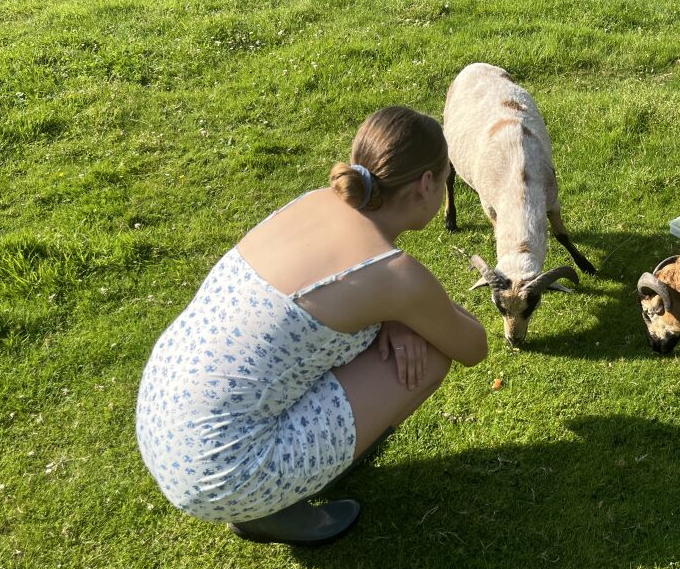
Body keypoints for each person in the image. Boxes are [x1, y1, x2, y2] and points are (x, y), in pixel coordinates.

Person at [136, 107, 488, 544]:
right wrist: (407, 310)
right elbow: (472, 346)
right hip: (227, 472)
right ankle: (270, 506)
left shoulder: (314, 202)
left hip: (162, 424)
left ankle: (286, 483)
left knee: (381, 339)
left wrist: (396, 312)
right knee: (431, 355)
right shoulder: (394, 275)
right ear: (427, 184)